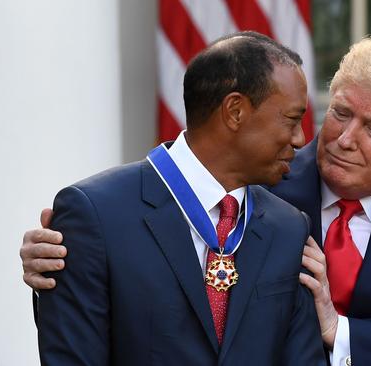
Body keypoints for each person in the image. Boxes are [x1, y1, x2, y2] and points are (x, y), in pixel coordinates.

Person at [22, 37, 371, 365]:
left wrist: (341, 333)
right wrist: (71, 251)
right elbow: (145, 225)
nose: (340, 138)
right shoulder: (255, 178)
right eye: (339, 113)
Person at [31, 31, 326, 365]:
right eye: (291, 120)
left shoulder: (289, 227)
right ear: (235, 111)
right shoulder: (96, 214)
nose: (301, 139)